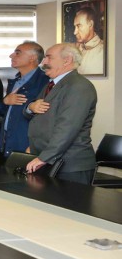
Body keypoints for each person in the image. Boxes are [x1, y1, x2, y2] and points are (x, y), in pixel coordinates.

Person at [25, 43, 97, 185]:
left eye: (49, 58)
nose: (44, 62)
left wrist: (43, 158)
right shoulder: (52, 84)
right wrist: (30, 107)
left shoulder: (79, 87)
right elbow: (37, 114)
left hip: (70, 165)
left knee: (70, 207)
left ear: (67, 60)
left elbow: (67, 129)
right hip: (50, 160)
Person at [0, 41, 49, 158]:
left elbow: (47, 117)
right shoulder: (15, 81)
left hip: (27, 145)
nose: (11, 56)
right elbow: (1, 111)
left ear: (32, 58)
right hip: (7, 143)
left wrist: (35, 145)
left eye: (17, 53)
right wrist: (5, 101)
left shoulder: (45, 81)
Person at [72, 7, 104, 75]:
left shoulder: (103, 50)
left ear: (90, 24)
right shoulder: (74, 50)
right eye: (75, 27)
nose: (75, 32)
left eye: (79, 26)